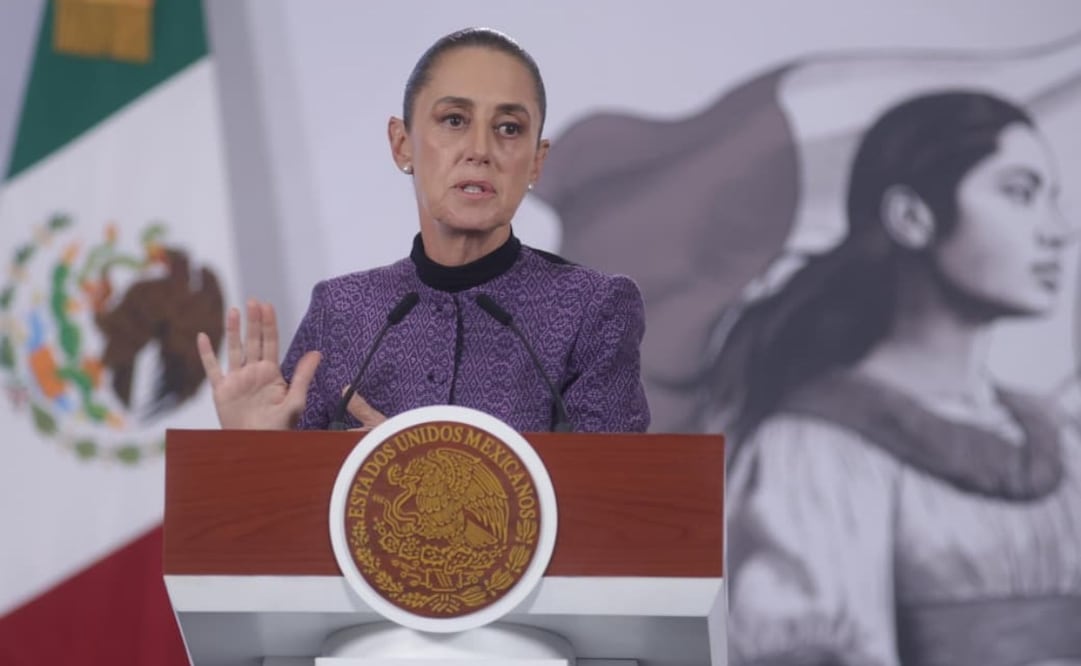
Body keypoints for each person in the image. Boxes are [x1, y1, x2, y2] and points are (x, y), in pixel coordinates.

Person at [709, 92, 1081, 664]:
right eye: (1019, 193)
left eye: (1053, 199)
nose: (1058, 231)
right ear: (912, 217)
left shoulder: (1063, 439)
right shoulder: (818, 451)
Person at [195, 27, 650, 434]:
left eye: (509, 128)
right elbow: (285, 496)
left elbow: (609, 490)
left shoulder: (591, 309)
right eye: (454, 120)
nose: (480, 149)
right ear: (401, 144)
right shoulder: (342, 312)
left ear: (536, 161)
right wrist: (254, 446)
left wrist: (411, 464)